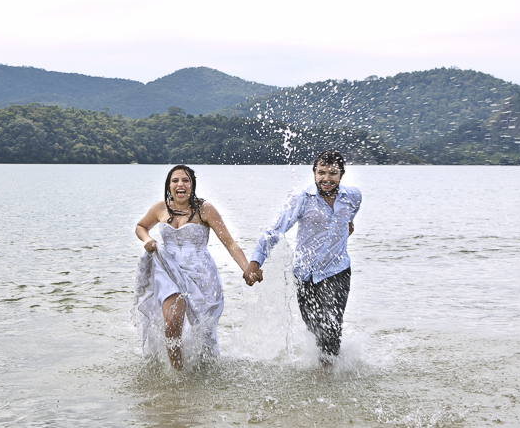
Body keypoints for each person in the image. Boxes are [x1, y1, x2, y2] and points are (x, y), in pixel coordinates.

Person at [243, 150, 361, 366]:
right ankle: (324, 366)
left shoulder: (352, 196)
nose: (326, 178)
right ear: (314, 172)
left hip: (337, 271)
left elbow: (350, 216)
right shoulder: (301, 199)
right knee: (315, 328)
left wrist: (347, 225)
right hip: (304, 274)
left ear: (341, 175)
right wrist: (255, 262)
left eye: (332, 173)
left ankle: (327, 374)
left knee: (332, 326)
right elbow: (275, 231)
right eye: (321, 172)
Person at [133, 164, 254, 370]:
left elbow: (230, 243)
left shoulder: (204, 209)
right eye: (175, 180)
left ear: (192, 185)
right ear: (169, 186)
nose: (180, 184)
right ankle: (178, 373)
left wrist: (247, 269)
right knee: (172, 323)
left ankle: (202, 367)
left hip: (200, 273)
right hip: (168, 269)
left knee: (202, 330)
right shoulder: (160, 208)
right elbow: (140, 226)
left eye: (185, 180)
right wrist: (147, 239)